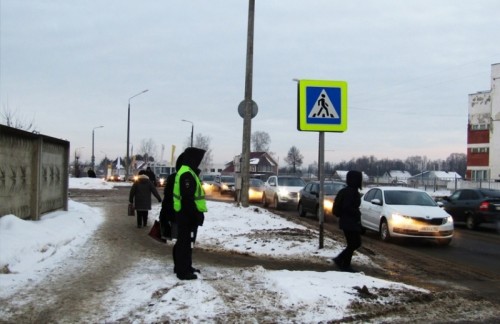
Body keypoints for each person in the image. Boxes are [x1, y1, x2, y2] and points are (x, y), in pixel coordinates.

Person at [173, 147, 207, 280]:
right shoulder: (187, 174)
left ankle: (186, 266)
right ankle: (183, 271)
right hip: (187, 216)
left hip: (186, 215)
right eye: (198, 159)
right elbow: (187, 198)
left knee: (187, 243)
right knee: (185, 243)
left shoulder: (187, 172)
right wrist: (195, 215)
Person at [333, 170, 363, 272]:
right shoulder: (351, 192)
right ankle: (343, 262)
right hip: (349, 222)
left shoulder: (347, 191)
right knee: (354, 243)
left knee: (353, 243)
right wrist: (357, 213)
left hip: (347, 221)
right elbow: (347, 207)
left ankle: (344, 262)